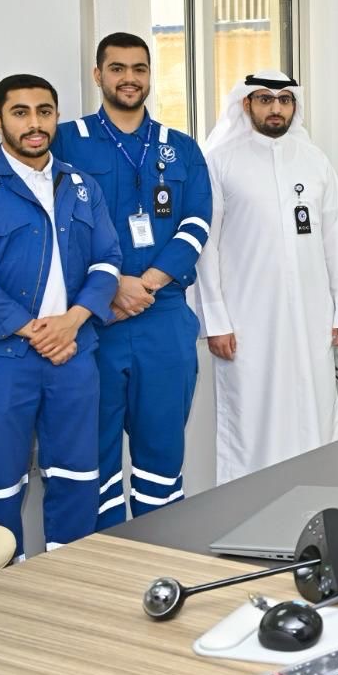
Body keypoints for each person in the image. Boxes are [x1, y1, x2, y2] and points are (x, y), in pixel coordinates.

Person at [0, 74, 120, 557]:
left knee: (78, 477)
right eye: (20, 112)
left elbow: (107, 262)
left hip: (74, 354)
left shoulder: (82, 186)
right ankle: (4, 585)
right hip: (3, 360)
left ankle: (69, 578)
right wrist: (39, 332)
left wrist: (71, 322)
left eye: (44, 111)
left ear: (56, 117)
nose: (34, 123)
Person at [52, 33, 209, 525]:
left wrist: (148, 284)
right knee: (92, 454)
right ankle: (101, 558)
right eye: (117, 68)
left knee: (162, 452)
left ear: (149, 75)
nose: (129, 78)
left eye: (139, 68)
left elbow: (196, 223)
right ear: (98, 74)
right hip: (94, 320)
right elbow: (55, 227)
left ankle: (157, 554)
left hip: (163, 316)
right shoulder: (66, 140)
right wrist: (113, 284)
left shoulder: (180, 147)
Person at [194, 72, 338, 483]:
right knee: (253, 413)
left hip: (310, 315)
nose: (276, 108)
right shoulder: (220, 161)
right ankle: (249, 499)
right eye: (265, 99)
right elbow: (206, 246)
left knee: (313, 406)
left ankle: (318, 492)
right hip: (247, 319)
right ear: (246, 104)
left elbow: (336, 239)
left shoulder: (315, 161)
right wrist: (215, 320)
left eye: (285, 99)